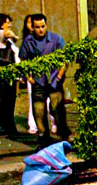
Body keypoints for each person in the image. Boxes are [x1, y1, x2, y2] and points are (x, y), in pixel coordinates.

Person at [20, 14, 68, 150]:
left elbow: (65, 59)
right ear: (32, 28)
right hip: (38, 82)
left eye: (42, 26)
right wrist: (29, 78)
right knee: (39, 112)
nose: (40, 30)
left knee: (56, 109)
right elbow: (23, 62)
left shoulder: (56, 39)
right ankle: (43, 139)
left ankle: (61, 138)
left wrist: (59, 76)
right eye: (37, 27)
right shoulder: (28, 42)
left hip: (54, 80)